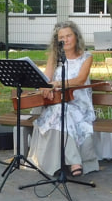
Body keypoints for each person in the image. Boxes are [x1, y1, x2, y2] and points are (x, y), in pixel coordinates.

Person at [27, 21, 98, 178]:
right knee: (61, 110)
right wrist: (45, 87)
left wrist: (57, 84)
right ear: (56, 40)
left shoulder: (86, 57)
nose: (65, 40)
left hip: (79, 104)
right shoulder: (55, 57)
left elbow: (80, 80)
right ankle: (75, 162)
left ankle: (62, 163)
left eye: (69, 36)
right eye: (61, 37)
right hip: (57, 103)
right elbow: (46, 79)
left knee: (63, 112)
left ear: (76, 37)